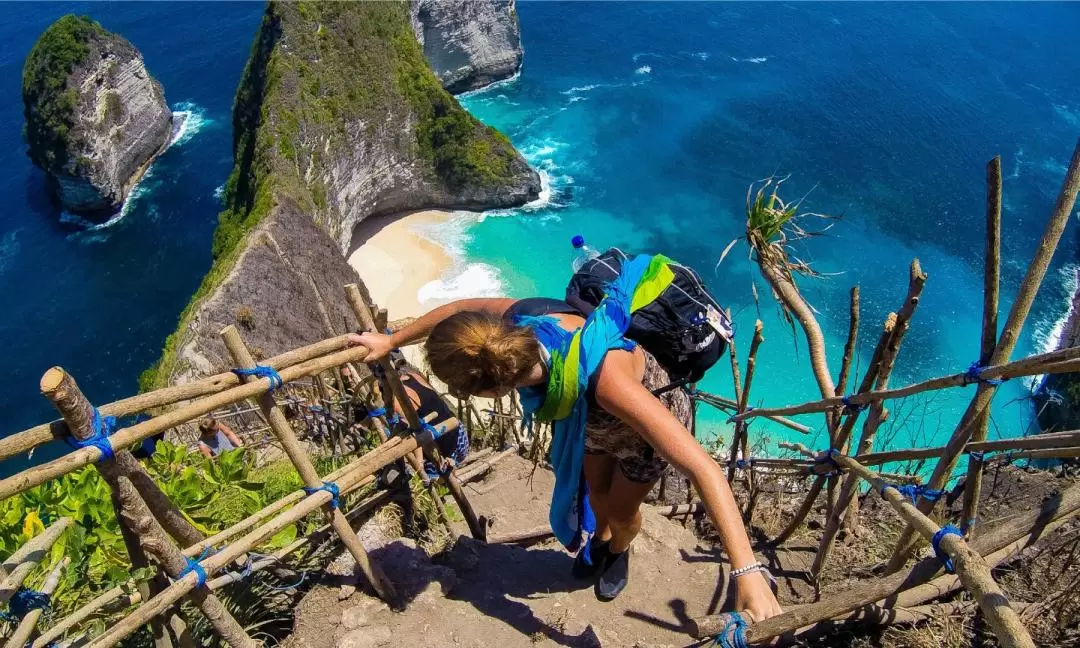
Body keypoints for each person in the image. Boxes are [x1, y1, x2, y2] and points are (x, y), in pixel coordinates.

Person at [350, 295, 782, 622]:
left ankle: (620, 549)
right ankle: (600, 541)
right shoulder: (515, 326)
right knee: (594, 492)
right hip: (589, 425)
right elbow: (461, 308)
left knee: (619, 507)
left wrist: (747, 572)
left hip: (640, 430)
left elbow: (702, 467)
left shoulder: (605, 380)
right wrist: (392, 339)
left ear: (493, 391)